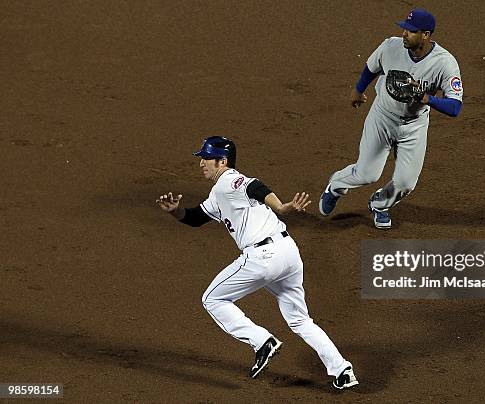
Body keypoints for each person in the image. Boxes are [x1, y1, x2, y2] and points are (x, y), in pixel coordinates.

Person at [156, 136, 358, 390]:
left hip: (264, 257)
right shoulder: (219, 192)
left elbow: (255, 187)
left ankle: (262, 341)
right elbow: (196, 218)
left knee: (212, 299)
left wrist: (281, 207)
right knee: (300, 320)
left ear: (222, 161)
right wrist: (176, 211)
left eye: (206, 158)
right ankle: (342, 370)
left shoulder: (229, 181)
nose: (201, 163)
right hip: (288, 253)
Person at [319, 8, 463, 229]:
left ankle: (380, 204)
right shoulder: (390, 46)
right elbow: (370, 68)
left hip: (414, 127)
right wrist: (358, 90)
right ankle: (336, 186)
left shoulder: (445, 63)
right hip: (382, 117)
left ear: (426, 34)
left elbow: (455, 107)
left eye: (411, 31)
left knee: (406, 183)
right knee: (367, 174)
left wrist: (426, 98)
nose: (404, 34)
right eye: (404, 29)